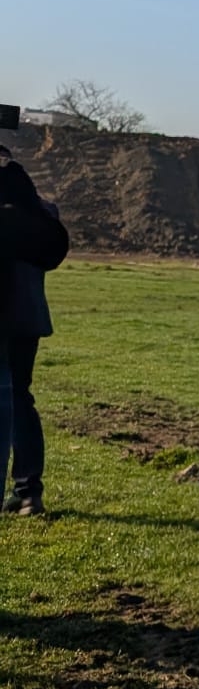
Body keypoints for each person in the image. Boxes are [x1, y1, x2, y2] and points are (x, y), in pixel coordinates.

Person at [0, 148, 69, 517]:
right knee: (19, 399)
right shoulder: (41, 213)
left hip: (8, 314)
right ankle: (29, 491)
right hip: (28, 317)